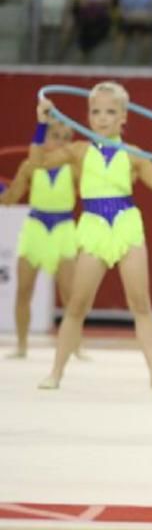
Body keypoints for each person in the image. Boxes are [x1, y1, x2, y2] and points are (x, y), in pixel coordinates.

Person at [32, 82, 152, 391]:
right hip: (93, 225)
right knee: (77, 305)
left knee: (141, 304)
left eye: (110, 112)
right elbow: (38, 163)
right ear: (87, 115)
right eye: (95, 111)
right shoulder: (78, 151)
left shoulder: (134, 154)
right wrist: (41, 125)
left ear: (123, 117)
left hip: (125, 224)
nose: (101, 118)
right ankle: (55, 372)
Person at [0, 120, 83, 359]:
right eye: (55, 136)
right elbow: (11, 198)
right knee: (24, 291)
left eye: (66, 138)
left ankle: (75, 346)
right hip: (35, 228)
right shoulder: (30, 166)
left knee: (71, 296)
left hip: (63, 229)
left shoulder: (74, 168)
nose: (60, 142)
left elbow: (92, 190)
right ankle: (22, 345)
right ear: (44, 139)